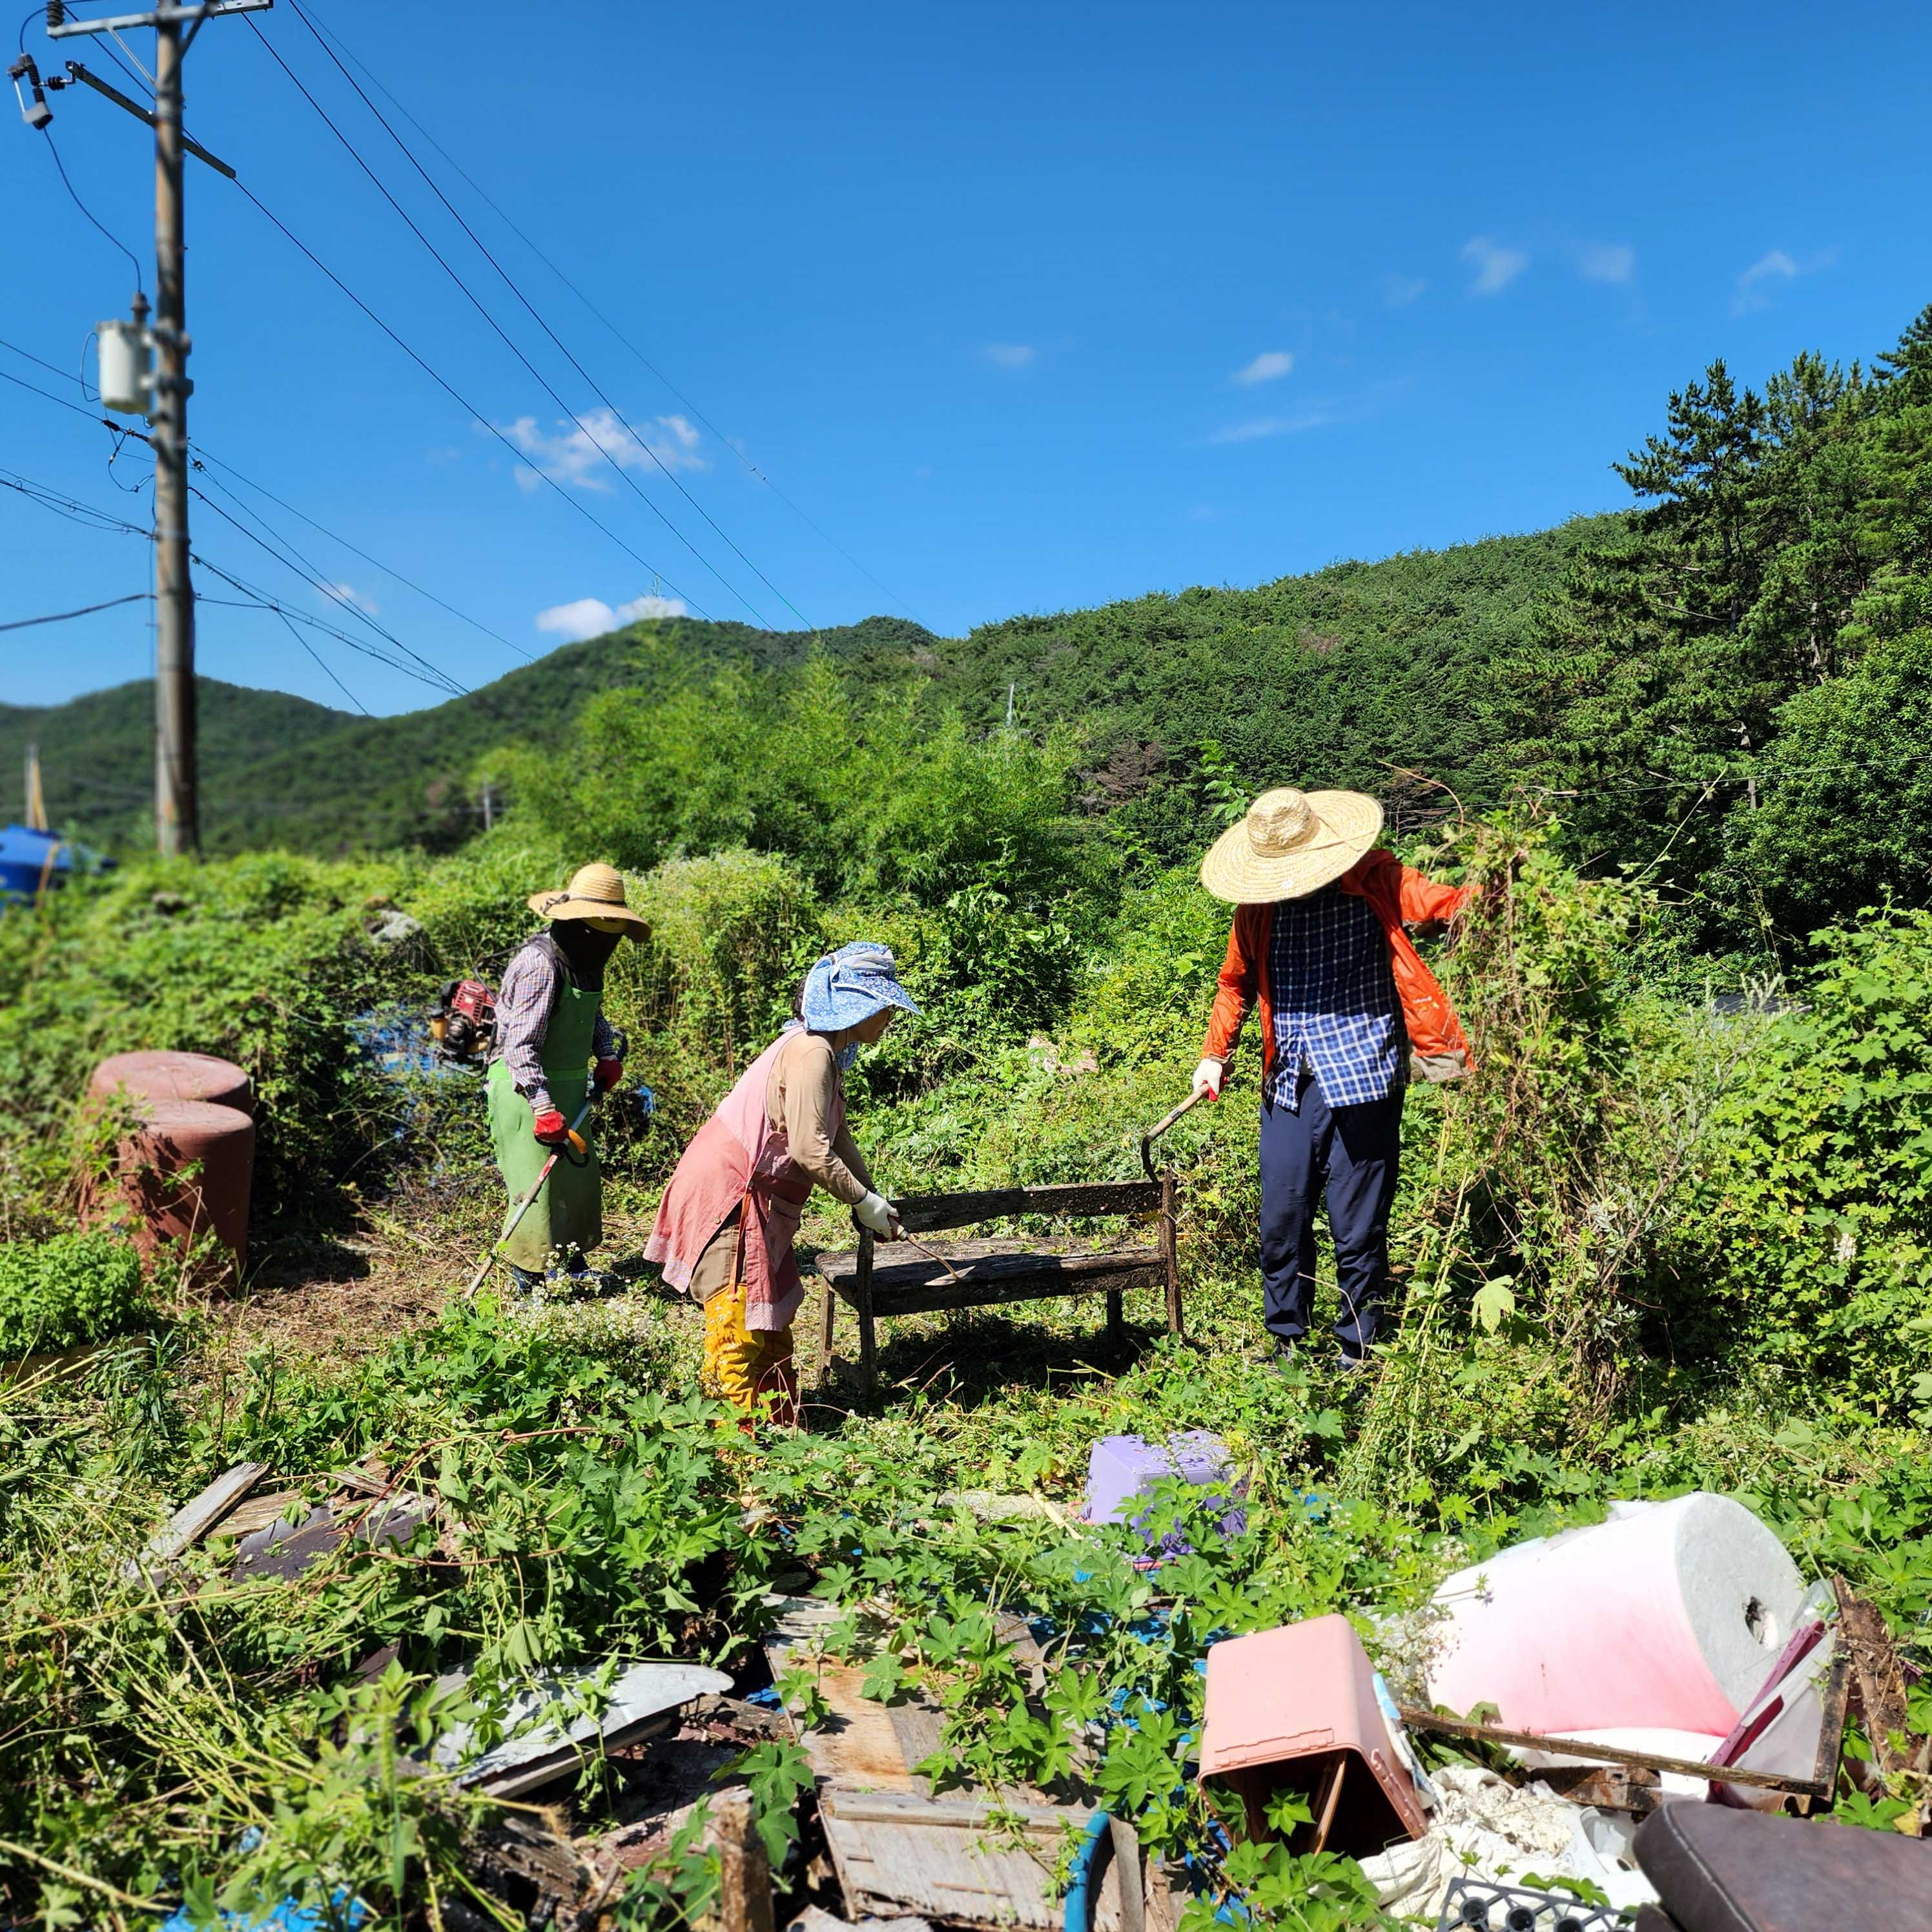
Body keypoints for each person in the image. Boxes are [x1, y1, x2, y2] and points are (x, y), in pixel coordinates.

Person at [1192, 787, 1473, 1369]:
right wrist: (1215, 1055)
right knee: (1283, 1218)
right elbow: (1234, 982)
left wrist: (1496, 897)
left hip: (1365, 1077)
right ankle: (1287, 1341)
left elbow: (1439, 903)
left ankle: (1357, 1349)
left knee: (1358, 1225)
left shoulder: (1375, 878)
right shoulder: (1259, 907)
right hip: (1290, 1079)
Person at [644, 942, 918, 1426]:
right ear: (852, 1005)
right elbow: (811, 1151)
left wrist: (871, 1199)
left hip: (759, 1199)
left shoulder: (819, 1051)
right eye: (882, 1005)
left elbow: (839, 1137)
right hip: (732, 1197)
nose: (889, 1016)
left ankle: (778, 1432)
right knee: (736, 1329)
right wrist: (861, 1199)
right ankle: (734, 1455)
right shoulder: (811, 1051)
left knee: (768, 1325)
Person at [487, 863, 647, 1298]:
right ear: (579, 923)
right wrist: (542, 1106)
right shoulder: (541, 965)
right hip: (526, 1090)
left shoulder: (584, 962)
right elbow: (520, 1048)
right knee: (536, 1190)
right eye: (605, 929)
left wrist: (608, 1055)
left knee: (576, 1180)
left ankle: (573, 1268)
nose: (611, 940)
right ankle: (531, 1284)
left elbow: (592, 1014)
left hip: (570, 1084)